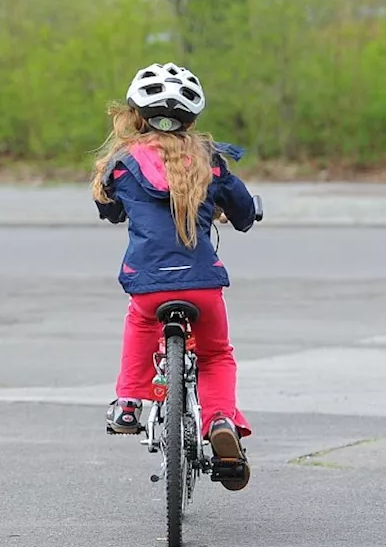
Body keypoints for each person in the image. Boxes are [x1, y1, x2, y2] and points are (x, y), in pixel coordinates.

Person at [91, 61, 258, 491]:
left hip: (148, 285)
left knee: (139, 322)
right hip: (202, 286)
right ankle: (220, 418)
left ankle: (128, 402)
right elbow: (242, 213)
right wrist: (244, 211)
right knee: (216, 354)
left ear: (138, 116)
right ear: (192, 119)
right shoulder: (210, 162)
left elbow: (109, 209)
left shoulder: (124, 164)